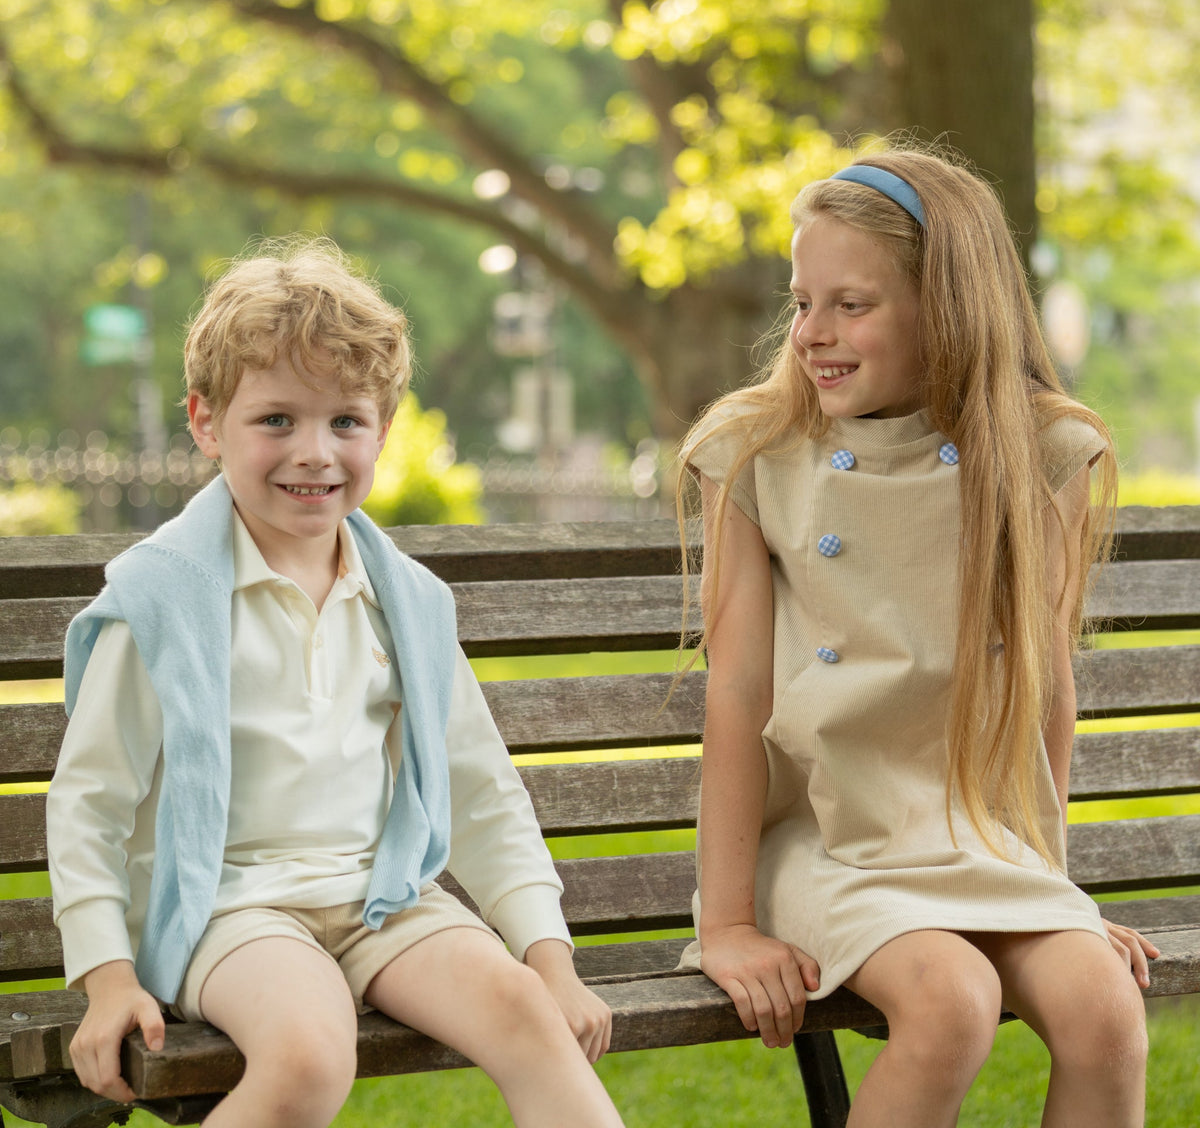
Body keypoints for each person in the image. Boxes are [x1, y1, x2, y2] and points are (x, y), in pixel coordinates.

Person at [46, 238, 625, 1128]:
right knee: (312, 1055)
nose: (313, 453)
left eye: (345, 422)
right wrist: (107, 977)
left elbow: (478, 788)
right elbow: (89, 803)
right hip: (231, 909)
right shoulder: (160, 599)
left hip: (382, 897)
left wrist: (548, 957)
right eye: (276, 420)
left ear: (383, 430)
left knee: (524, 1011)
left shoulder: (406, 602)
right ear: (206, 423)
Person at [676, 147, 1157, 1127]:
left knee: (1106, 1011)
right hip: (830, 841)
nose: (812, 332)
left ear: (951, 306)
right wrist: (725, 924)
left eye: (852, 305)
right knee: (950, 1003)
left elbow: (1043, 681)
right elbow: (735, 697)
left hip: (983, 835)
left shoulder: (1040, 451)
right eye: (804, 301)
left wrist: (1049, 882)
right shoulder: (759, 454)